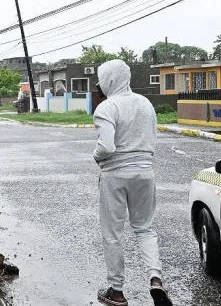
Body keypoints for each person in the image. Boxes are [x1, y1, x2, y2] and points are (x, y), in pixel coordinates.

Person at [93, 60, 172, 306]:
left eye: (101, 79)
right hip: (145, 173)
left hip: (115, 175)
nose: (99, 85)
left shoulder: (107, 107)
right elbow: (152, 139)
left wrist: (96, 156)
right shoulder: (146, 104)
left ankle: (116, 291)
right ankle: (156, 279)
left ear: (110, 80)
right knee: (145, 228)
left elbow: (106, 147)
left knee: (113, 233)